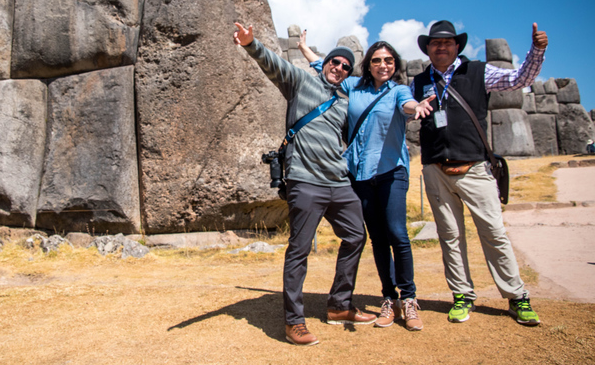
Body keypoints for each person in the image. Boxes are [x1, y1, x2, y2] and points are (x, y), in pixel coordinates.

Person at [233, 22, 375, 346]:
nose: (338, 68)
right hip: (305, 181)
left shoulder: (344, 99)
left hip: (338, 183)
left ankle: (339, 305)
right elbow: (274, 64)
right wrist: (251, 43)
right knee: (299, 250)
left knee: (355, 235)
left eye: (345, 66)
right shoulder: (300, 81)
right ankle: (294, 322)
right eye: (334, 62)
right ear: (324, 64)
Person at [411, 20, 548, 326]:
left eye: (447, 42)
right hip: (436, 170)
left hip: (473, 168)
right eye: (435, 43)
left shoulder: (479, 72)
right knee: (450, 237)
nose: (441, 47)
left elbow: (518, 78)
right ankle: (462, 295)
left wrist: (537, 50)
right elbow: (406, 111)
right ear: (428, 48)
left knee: (494, 234)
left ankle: (517, 297)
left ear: (456, 46)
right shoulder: (419, 82)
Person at [298, 33, 434, 331]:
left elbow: (409, 105)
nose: (383, 65)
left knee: (397, 234)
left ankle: (409, 299)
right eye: (377, 61)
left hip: (391, 172)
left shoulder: (398, 90)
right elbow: (326, 66)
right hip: (360, 176)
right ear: (368, 65)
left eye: (388, 60)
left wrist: (418, 108)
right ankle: (389, 298)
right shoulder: (353, 88)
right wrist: (305, 49)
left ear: (394, 64)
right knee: (377, 239)